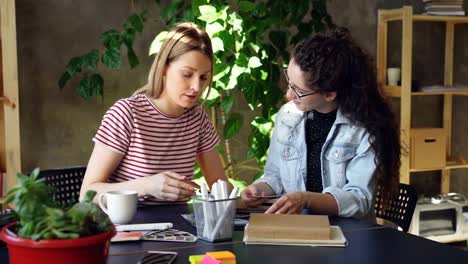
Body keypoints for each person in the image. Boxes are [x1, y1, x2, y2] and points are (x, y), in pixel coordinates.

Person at [240, 27, 400, 219]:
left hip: (349, 235)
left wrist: (306, 199)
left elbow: (359, 199)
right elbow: (275, 175)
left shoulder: (364, 128)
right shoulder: (287, 116)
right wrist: (260, 189)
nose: (288, 95)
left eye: (298, 90)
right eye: (289, 82)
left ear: (329, 94)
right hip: (299, 231)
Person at [80, 22, 231, 205]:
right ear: (164, 67)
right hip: (130, 229)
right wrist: (146, 186)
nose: (196, 87)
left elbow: (220, 187)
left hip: (180, 231)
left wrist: (250, 196)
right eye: (186, 74)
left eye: (203, 77)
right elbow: (87, 194)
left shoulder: (197, 118)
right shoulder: (126, 114)